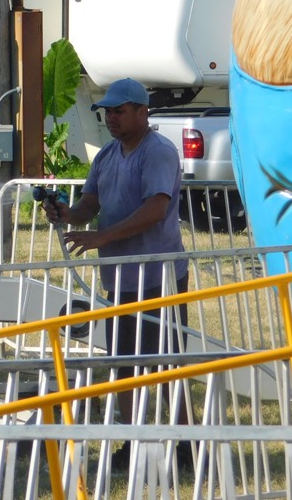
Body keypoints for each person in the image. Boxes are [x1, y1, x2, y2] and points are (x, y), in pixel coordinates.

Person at [42, 77, 193, 473]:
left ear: (143, 112)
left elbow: (155, 210)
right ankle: (135, 442)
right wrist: (66, 213)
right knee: (124, 363)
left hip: (159, 276)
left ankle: (188, 446)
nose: (111, 118)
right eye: (107, 111)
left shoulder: (158, 152)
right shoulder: (107, 155)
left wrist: (101, 237)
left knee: (168, 364)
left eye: (119, 111)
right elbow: (88, 206)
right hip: (121, 279)